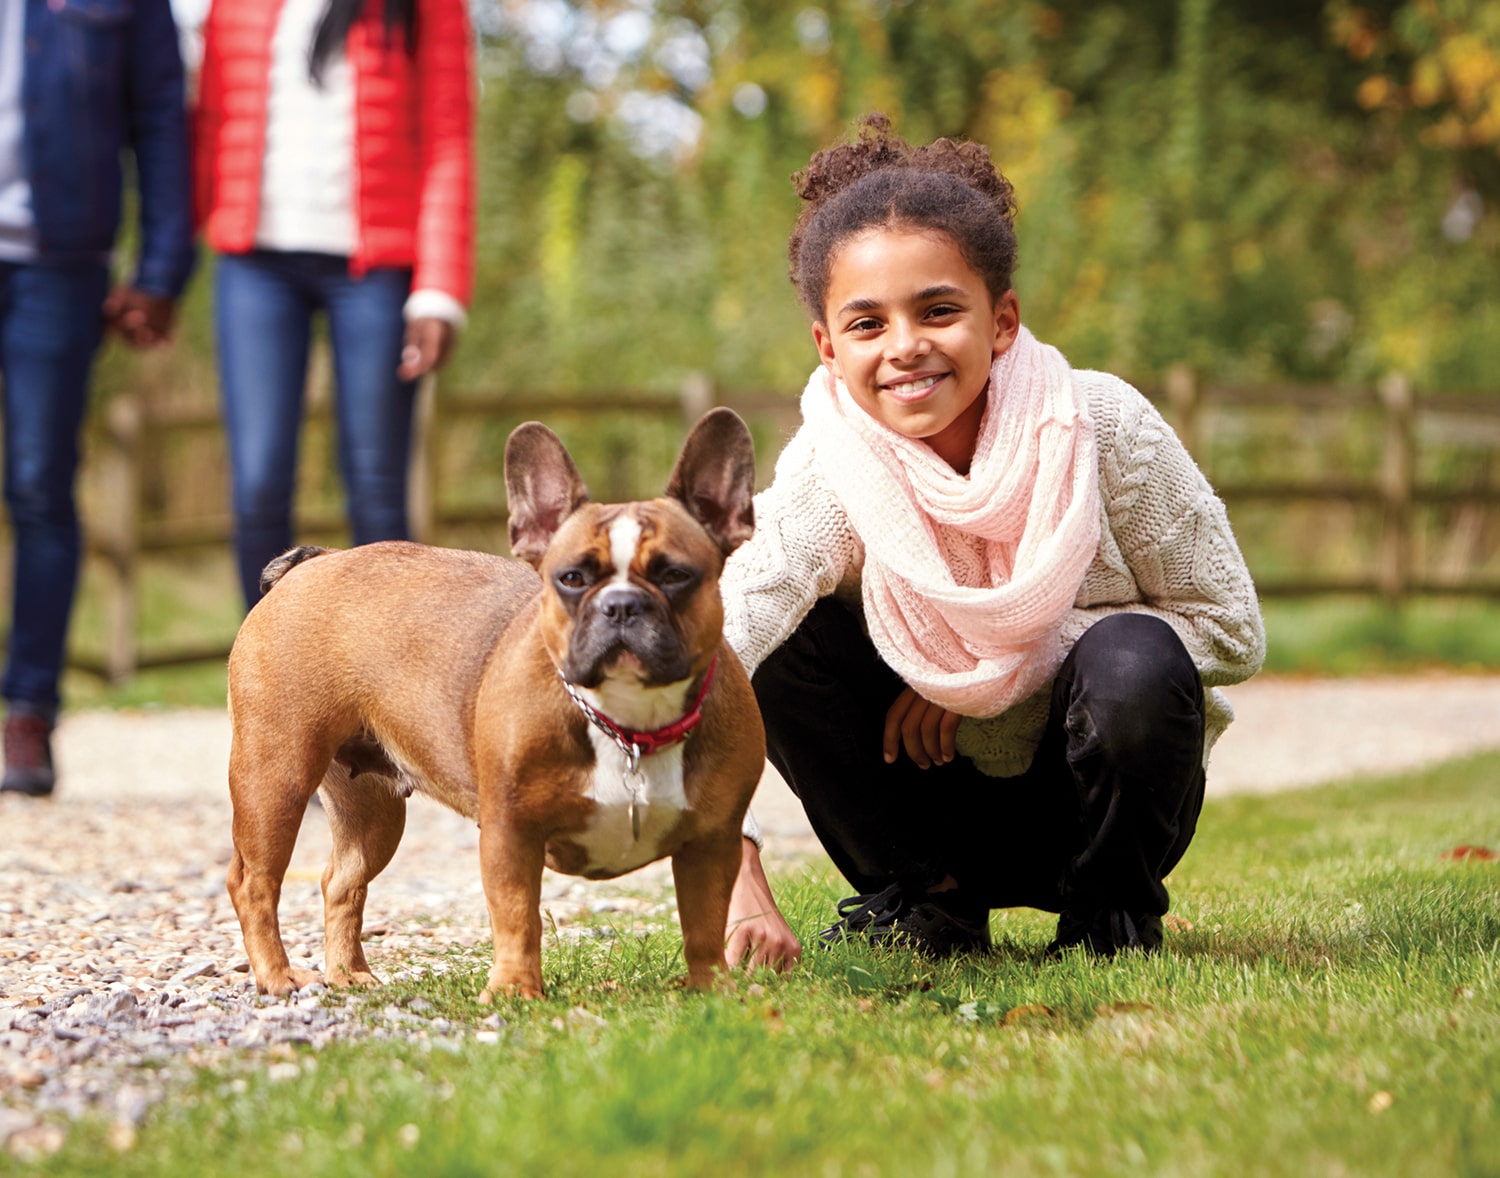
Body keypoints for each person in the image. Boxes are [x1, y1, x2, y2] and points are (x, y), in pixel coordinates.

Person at [720, 115, 1265, 969]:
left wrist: (992, 672)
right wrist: (734, 856)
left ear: (1001, 319)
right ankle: (927, 904)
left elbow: (1230, 626)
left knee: (1136, 654)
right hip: (924, 801)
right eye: (867, 325)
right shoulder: (827, 473)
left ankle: (1109, 916)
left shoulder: (1103, 426)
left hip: (1092, 803)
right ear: (827, 347)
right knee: (787, 638)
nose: (905, 347)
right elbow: (719, 645)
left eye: (938, 310)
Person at [192, 0, 475, 609]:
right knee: (259, 484)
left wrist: (440, 289)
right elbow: (210, 115)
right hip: (254, 262)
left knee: (376, 487)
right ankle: (267, 679)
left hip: (375, 268)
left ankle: (386, 686)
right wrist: (163, 263)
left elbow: (448, 133)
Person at [0, 0, 196, 797]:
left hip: (59, 261)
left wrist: (161, 268)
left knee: (42, 481)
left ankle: (28, 710)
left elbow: (159, 120)